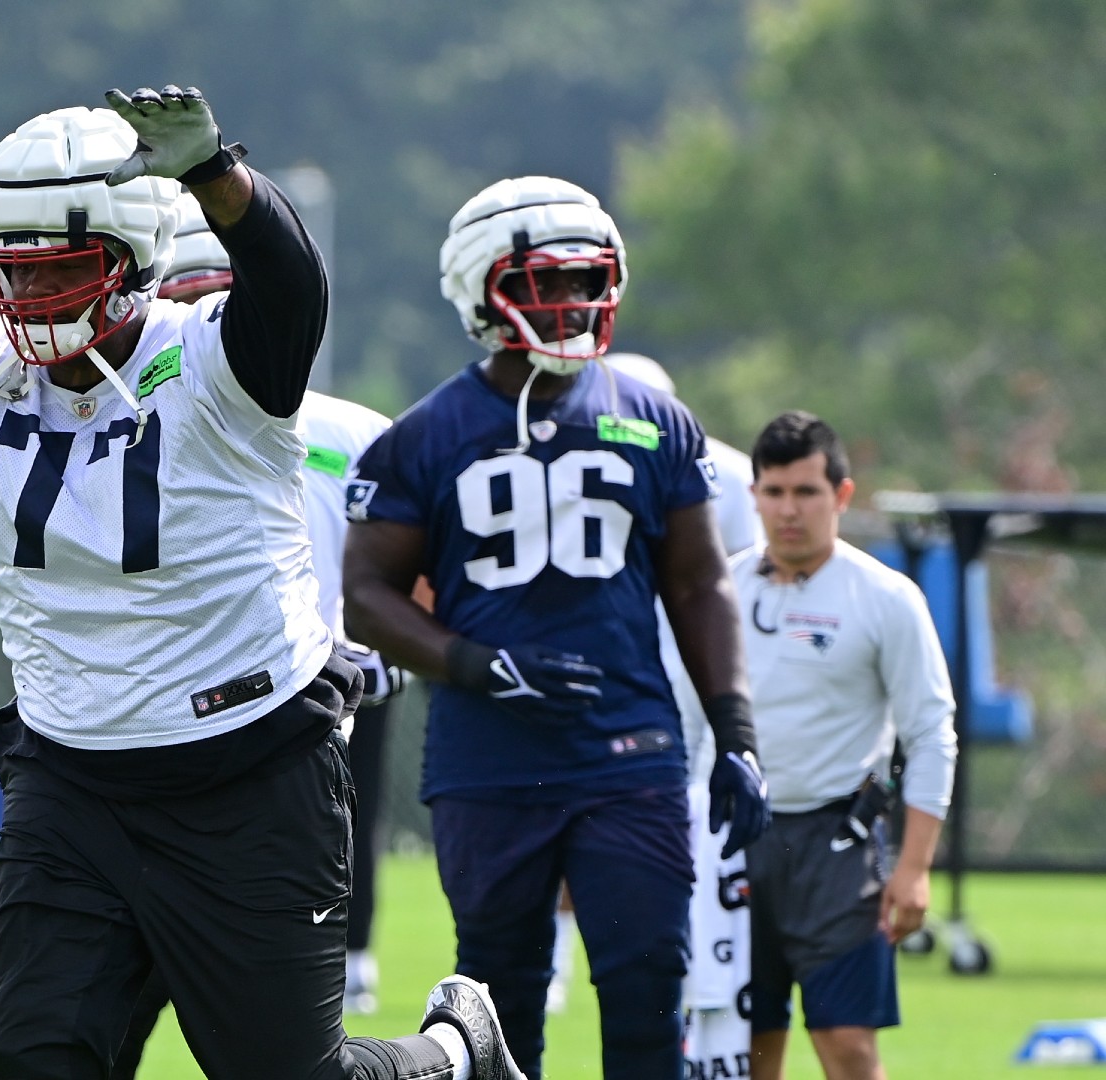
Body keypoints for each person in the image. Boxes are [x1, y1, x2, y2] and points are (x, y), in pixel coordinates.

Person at [0, 87, 520, 1080]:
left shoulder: (220, 365)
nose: (31, 305)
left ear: (132, 265)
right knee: (34, 1063)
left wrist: (219, 178)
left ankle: (455, 1054)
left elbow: (292, 285)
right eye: (12, 273)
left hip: (248, 774)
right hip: (71, 782)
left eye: (61, 271)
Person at [0, 190, 407, 1075]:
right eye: (187, 292)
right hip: (96, 762)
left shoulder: (324, 423)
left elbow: (415, 568)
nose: (199, 316)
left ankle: (446, 1041)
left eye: (220, 293)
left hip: (265, 746)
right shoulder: (72, 399)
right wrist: (89, 644)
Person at [343, 176, 772, 1080]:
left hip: (629, 751)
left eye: (588, 282)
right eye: (550, 282)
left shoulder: (655, 421)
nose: (575, 303)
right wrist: (475, 664)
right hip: (489, 759)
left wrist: (735, 733)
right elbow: (366, 596)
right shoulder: (426, 436)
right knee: (500, 1004)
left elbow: (700, 586)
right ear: (481, 285)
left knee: (650, 981)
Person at [737, 411, 956, 1080]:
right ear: (754, 497)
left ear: (842, 495)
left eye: (806, 491)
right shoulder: (717, 590)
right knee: (744, 1052)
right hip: (732, 846)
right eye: (774, 492)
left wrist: (915, 868)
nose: (789, 510)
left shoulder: (886, 597)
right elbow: (686, 730)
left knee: (850, 1050)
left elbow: (930, 733)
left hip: (838, 849)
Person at [604, 352, 763, 1075]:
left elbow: (733, 576)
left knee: (695, 797)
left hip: (688, 651)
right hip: (632, 652)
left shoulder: (718, 469)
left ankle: (714, 963)